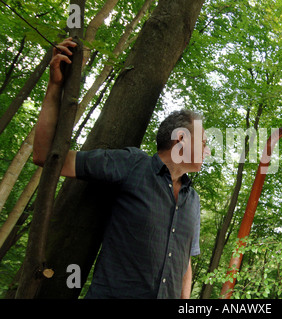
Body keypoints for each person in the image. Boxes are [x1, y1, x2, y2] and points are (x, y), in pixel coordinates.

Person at [33, 38, 210, 298]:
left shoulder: (192, 200)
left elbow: (185, 265)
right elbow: (45, 156)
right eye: (203, 141)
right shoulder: (132, 165)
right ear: (181, 139)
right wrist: (55, 86)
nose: (207, 149)